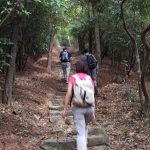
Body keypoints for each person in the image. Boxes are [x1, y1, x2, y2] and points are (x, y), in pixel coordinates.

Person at [62, 60, 95, 150]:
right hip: (90, 108)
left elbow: (68, 94)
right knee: (84, 126)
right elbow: (92, 95)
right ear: (86, 68)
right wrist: (93, 113)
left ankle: (82, 145)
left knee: (80, 132)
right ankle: (84, 142)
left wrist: (64, 109)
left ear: (77, 68)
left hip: (78, 108)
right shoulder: (90, 78)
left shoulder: (73, 78)